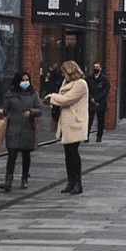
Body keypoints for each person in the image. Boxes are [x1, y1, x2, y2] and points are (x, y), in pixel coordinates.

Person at [44, 60, 89, 195]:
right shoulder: (66, 82)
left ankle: (78, 183)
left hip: (75, 122)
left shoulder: (81, 84)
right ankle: (70, 181)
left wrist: (51, 97)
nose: (63, 74)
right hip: (66, 122)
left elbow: (67, 99)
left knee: (73, 152)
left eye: (64, 71)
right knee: (68, 153)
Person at [0, 71, 41, 192]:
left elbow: (39, 109)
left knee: (26, 155)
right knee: (12, 155)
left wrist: (31, 112)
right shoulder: (10, 94)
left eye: (27, 80)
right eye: (23, 80)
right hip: (13, 128)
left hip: (27, 128)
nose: (25, 83)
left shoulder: (33, 94)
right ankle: (8, 181)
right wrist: (1, 112)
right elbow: (5, 109)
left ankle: (24, 178)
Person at [86, 63, 110, 143]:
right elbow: (87, 89)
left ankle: (99, 136)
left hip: (101, 102)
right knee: (89, 120)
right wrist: (91, 98)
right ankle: (86, 135)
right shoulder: (89, 78)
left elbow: (105, 90)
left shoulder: (104, 79)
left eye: (97, 67)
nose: (96, 68)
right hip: (91, 102)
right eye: (94, 67)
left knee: (100, 121)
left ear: (100, 68)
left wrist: (97, 99)